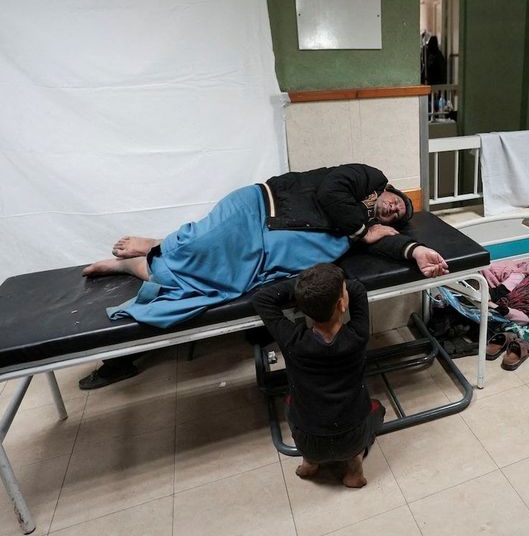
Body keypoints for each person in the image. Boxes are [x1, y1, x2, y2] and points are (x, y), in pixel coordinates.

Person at [79, 163, 449, 389]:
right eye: (397, 202)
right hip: (258, 211)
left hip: (266, 251)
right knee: (201, 244)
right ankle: (156, 244)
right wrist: (362, 231)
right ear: (388, 190)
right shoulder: (367, 177)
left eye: (397, 215)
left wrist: (416, 250)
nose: (394, 210)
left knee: (213, 284)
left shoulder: (367, 226)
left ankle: (132, 264)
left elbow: (385, 241)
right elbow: (330, 193)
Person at [252, 262, 385, 488]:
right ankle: (354, 472)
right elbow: (358, 289)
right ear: (341, 304)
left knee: (291, 403)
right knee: (377, 409)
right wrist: (332, 287)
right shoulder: (358, 335)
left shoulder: (292, 341)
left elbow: (261, 298)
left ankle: (310, 464)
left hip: (308, 440)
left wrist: (306, 291)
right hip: (351, 438)